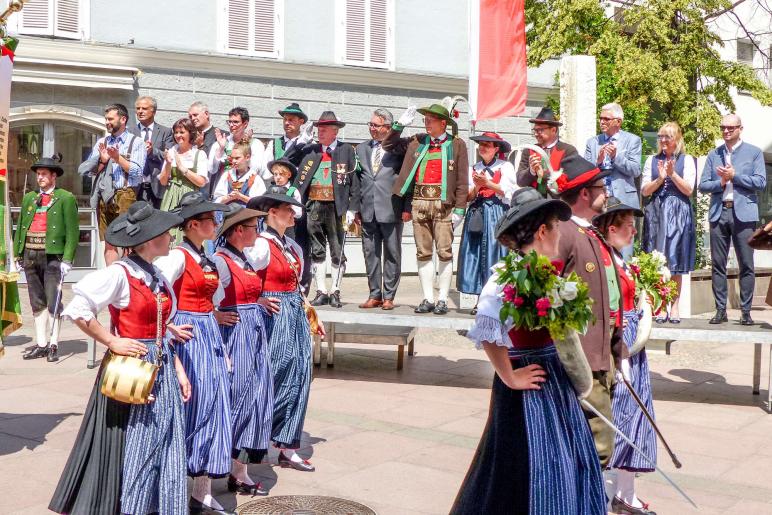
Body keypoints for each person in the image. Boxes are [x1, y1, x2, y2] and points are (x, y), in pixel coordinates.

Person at [451, 187, 606, 515]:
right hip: (526, 385)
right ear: (541, 231)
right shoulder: (505, 278)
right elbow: (487, 328)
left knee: (567, 455)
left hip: (554, 379)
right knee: (523, 464)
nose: (560, 232)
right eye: (555, 226)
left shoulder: (549, 276)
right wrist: (509, 375)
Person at [49, 202, 191, 515]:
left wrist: (178, 368)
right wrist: (112, 340)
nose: (171, 237)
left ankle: (159, 504)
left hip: (160, 364)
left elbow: (160, 326)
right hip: (131, 369)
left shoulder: (156, 274)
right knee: (132, 438)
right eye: (166, 233)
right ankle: (129, 505)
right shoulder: (120, 274)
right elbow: (78, 308)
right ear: (150, 239)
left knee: (164, 436)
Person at [155, 192, 233, 514]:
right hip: (187, 338)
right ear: (192, 225)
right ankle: (173, 488)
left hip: (208, 334)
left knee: (215, 406)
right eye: (210, 220)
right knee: (194, 408)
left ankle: (202, 492)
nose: (216, 224)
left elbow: (214, 297)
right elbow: (154, 287)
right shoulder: (177, 257)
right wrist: (168, 324)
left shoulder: (208, 257)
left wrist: (213, 319)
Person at [552, 154, 630, 470]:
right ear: (584, 193)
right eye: (602, 187)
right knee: (597, 448)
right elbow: (548, 298)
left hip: (602, 358)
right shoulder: (564, 233)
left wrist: (618, 352)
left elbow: (610, 300)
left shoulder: (593, 232)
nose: (606, 192)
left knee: (598, 446)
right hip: (582, 361)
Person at [246, 192, 325, 473]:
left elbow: (298, 286)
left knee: (301, 373)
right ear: (271, 214)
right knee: (275, 373)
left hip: (294, 311)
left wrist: (310, 312)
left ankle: (288, 445)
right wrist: (257, 299)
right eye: (287, 211)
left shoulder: (292, 245)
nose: (293, 215)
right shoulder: (260, 246)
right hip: (273, 315)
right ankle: (256, 436)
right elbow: (241, 275)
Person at [594, 198, 657, 515]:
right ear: (611, 228)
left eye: (634, 226)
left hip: (633, 345)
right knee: (615, 418)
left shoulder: (622, 260)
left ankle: (626, 494)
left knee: (635, 416)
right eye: (628, 227)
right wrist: (620, 358)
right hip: (617, 345)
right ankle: (604, 498)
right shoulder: (604, 263)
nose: (634, 232)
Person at [384, 103, 469, 315]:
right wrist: (399, 125)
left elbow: (461, 180)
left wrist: (460, 209)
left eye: (431, 120)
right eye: (425, 119)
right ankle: (428, 298)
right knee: (423, 253)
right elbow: (387, 145)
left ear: (443, 123)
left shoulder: (457, 145)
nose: (426, 123)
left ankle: (442, 299)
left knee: (444, 253)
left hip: (444, 206)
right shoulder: (417, 141)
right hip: (419, 204)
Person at [212, 205, 273, 497]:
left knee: (255, 397)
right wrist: (214, 315)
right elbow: (202, 297)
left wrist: (257, 302)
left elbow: (246, 291)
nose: (257, 233)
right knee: (237, 397)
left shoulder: (243, 259)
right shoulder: (221, 261)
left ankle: (240, 470)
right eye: (253, 228)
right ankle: (220, 465)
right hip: (236, 335)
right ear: (239, 230)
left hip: (253, 331)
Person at [698, 113, 766, 326]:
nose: (726, 131)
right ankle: (720, 310)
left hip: (744, 215)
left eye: (730, 128)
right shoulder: (714, 154)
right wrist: (721, 182)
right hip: (719, 212)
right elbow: (703, 185)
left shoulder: (753, 153)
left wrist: (735, 177)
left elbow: (761, 182)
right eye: (723, 128)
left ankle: (745, 311)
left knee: (746, 263)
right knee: (718, 264)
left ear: (740, 129)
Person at [15, 156, 79, 362]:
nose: (40, 178)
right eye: (38, 174)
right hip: (30, 255)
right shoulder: (29, 198)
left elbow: (72, 231)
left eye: (44, 174)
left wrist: (68, 259)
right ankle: (41, 344)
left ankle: (53, 344)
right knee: (36, 302)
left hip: (53, 257)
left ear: (54, 176)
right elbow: (21, 228)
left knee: (53, 301)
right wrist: (18, 253)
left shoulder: (66, 198)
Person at [293, 111, 359, 308]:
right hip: (314, 204)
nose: (319, 132)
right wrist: (299, 142)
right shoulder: (310, 150)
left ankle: (335, 291)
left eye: (324, 129)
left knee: (337, 250)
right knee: (317, 250)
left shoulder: (346, 150)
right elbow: (289, 159)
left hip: (336, 206)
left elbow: (355, 182)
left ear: (335, 131)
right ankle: (321, 291)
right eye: (319, 128)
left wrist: (352, 208)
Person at [641, 122, 696, 323]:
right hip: (655, 212)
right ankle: (660, 305)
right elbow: (645, 190)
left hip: (678, 212)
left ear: (677, 139)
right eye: (660, 136)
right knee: (656, 259)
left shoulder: (687, 160)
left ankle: (674, 306)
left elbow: (689, 190)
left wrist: (672, 174)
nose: (663, 140)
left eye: (668, 137)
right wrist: (660, 179)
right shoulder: (651, 160)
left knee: (675, 260)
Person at [79, 103, 146, 265]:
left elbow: (137, 171)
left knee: (127, 242)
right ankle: (112, 277)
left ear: (123, 119)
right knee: (109, 243)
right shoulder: (102, 141)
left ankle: (128, 279)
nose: (107, 122)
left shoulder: (136, 142)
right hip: (104, 196)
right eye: (106, 119)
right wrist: (102, 160)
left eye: (110, 119)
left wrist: (118, 158)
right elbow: (87, 171)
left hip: (125, 194)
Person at [355, 108, 408, 310]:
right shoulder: (361, 149)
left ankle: (389, 296)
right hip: (367, 208)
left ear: (387, 127)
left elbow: (406, 179)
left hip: (392, 208)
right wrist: (355, 208)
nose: (372, 128)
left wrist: (407, 207)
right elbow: (357, 180)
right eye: (370, 124)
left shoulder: (399, 149)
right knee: (370, 253)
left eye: (376, 125)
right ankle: (374, 294)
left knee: (392, 253)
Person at [457, 132, 517, 312]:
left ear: (496, 149)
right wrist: (477, 186)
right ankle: (479, 300)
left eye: (487, 145)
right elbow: (467, 197)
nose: (482, 148)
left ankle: (497, 299)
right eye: (481, 144)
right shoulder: (473, 168)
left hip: (497, 212)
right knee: (475, 253)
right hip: (477, 213)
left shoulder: (505, 166)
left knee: (495, 253)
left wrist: (488, 183)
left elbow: (510, 192)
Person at [158, 118, 209, 242]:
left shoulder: (199, 154)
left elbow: (201, 182)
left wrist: (183, 169)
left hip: (191, 197)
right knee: (169, 232)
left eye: (182, 132)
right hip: (171, 196)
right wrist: (169, 165)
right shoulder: (171, 151)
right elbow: (163, 181)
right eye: (176, 132)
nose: (178, 136)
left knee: (189, 231)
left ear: (190, 133)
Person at [585, 103, 643, 210]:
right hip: (598, 200)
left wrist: (615, 157)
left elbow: (636, 171)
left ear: (618, 121)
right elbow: (585, 173)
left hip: (624, 200)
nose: (602, 122)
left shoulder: (633, 140)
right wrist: (598, 161)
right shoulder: (592, 142)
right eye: (600, 118)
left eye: (606, 119)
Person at [514, 106, 578, 192]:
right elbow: (520, 181)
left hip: (558, 201)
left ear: (553, 130)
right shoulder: (529, 150)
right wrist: (531, 171)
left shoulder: (568, 150)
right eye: (535, 130)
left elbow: (572, 178)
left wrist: (544, 175)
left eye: (540, 130)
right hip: (534, 201)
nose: (536, 134)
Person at [209, 107, 267, 200]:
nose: (231, 125)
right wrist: (221, 149)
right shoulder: (220, 143)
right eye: (230, 122)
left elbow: (258, 169)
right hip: (224, 190)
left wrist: (244, 146)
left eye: (235, 122)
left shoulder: (255, 144)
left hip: (247, 191)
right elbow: (212, 169)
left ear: (245, 124)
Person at [129, 95, 174, 208]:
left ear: (153, 111)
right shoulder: (130, 132)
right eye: (138, 108)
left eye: (144, 108)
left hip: (157, 187)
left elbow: (169, 156)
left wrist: (152, 151)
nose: (140, 111)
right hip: (135, 187)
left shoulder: (166, 132)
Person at [213, 141, 267, 206]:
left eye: (237, 158)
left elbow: (259, 204)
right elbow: (217, 199)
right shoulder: (227, 175)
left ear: (247, 157)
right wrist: (228, 197)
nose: (233, 161)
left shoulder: (255, 179)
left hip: (247, 214)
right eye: (232, 158)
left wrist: (240, 197)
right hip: (227, 213)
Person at [265, 102, 314, 168]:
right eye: (285, 119)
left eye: (291, 120)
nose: (286, 123)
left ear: (301, 122)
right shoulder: (273, 144)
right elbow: (265, 169)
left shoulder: (310, 144)